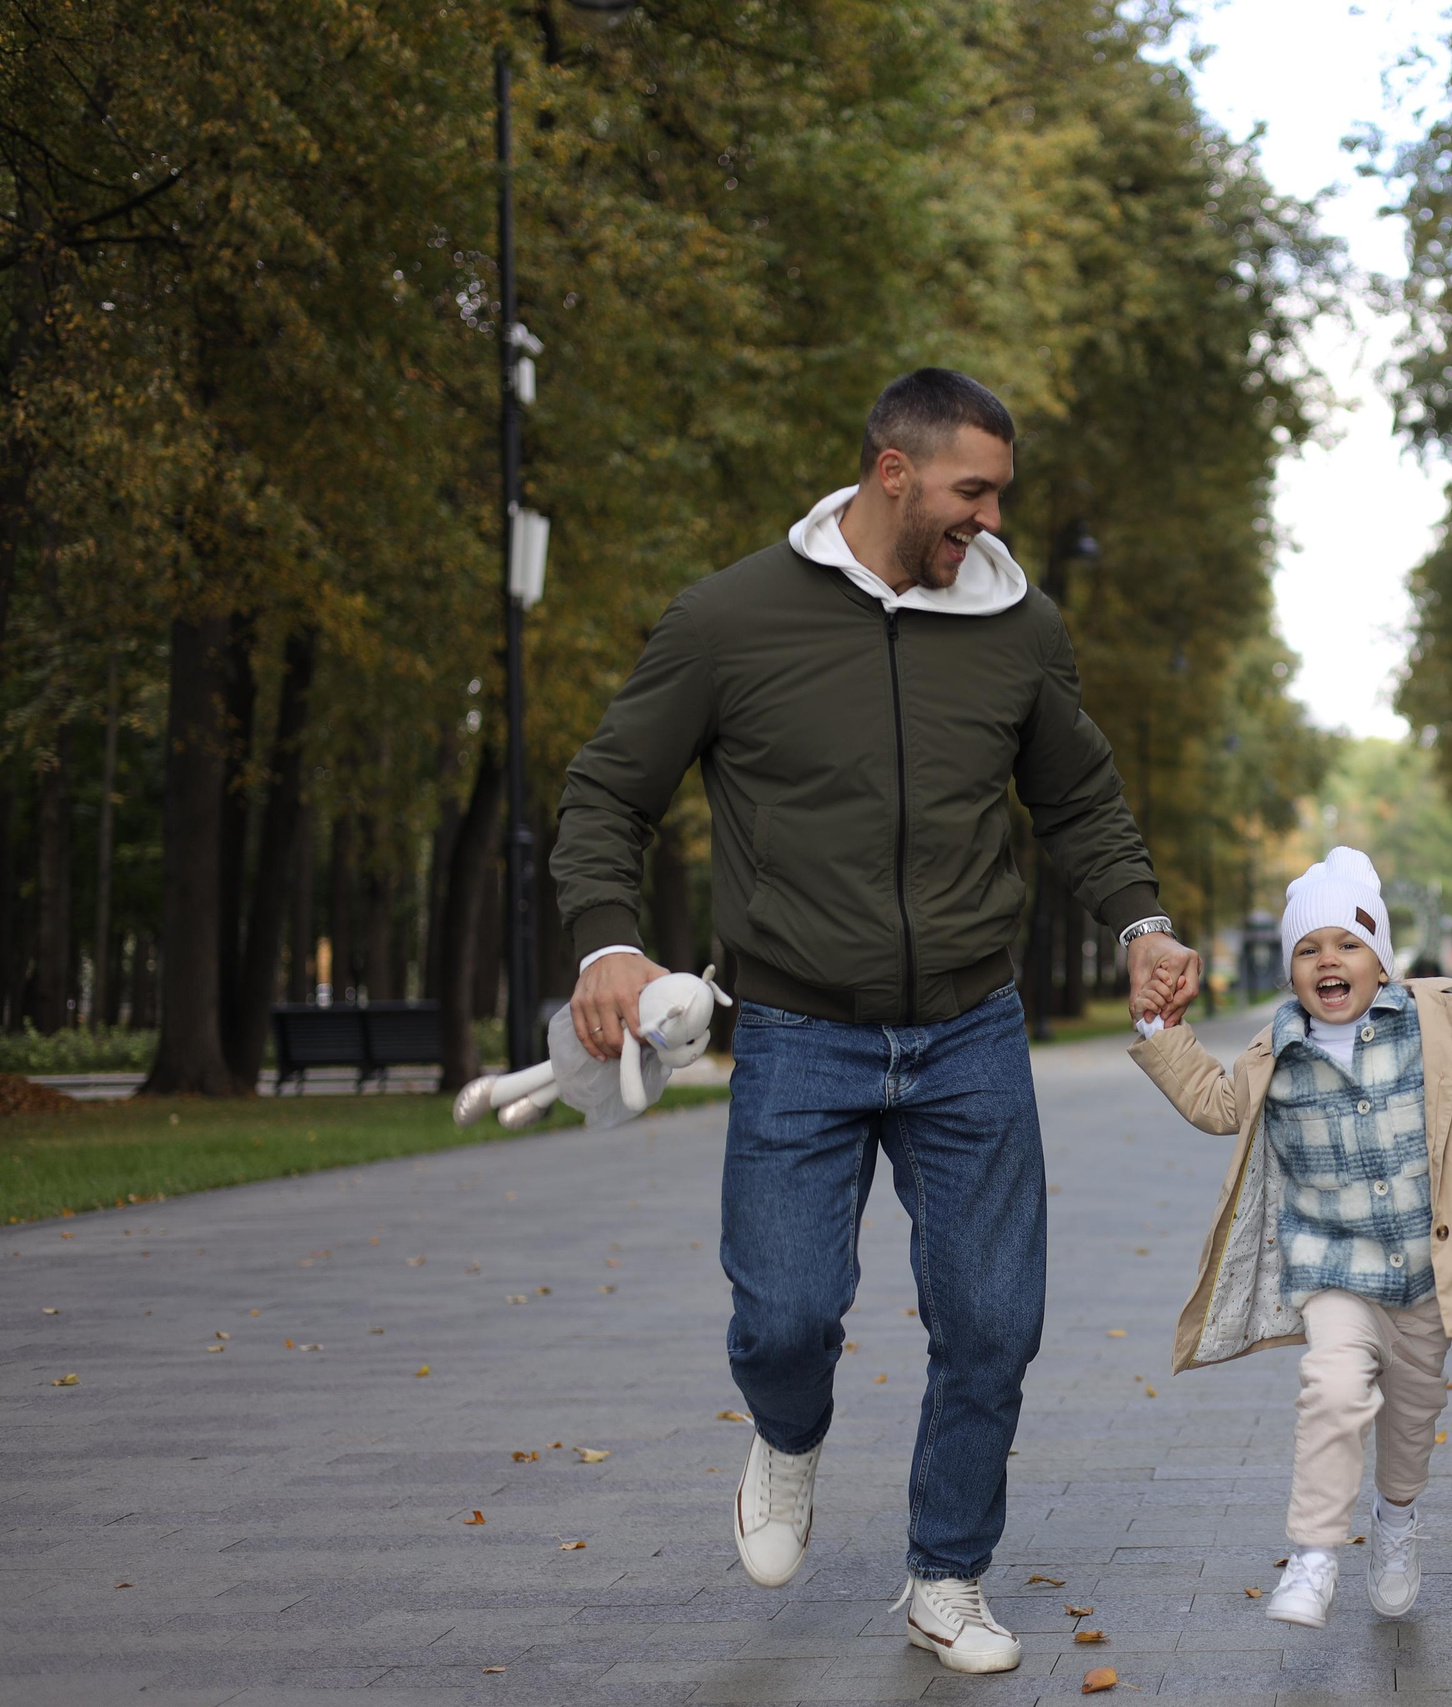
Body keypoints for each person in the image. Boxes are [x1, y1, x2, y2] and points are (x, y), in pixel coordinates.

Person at [550, 368, 1202, 1675]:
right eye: (972, 490)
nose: (990, 516)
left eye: (999, 492)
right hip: (799, 1026)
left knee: (992, 1321)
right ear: (892, 472)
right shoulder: (731, 618)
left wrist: (1140, 923)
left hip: (969, 1026)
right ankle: (787, 1437)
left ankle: (947, 1574)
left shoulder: (1020, 627)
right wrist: (611, 941)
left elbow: (1077, 801)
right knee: (787, 1312)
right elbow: (608, 791)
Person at [1128, 847, 1452, 1627]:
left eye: (1347, 943)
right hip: (1334, 1271)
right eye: (1308, 949)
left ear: (1381, 961)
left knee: (1411, 1418)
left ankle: (1395, 1521)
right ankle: (1315, 1553)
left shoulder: (1443, 1023)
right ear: (1292, 974)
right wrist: (1161, 1030)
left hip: (1428, 1276)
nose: (1328, 960)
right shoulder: (1276, 1052)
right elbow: (1214, 1103)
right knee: (1330, 1388)